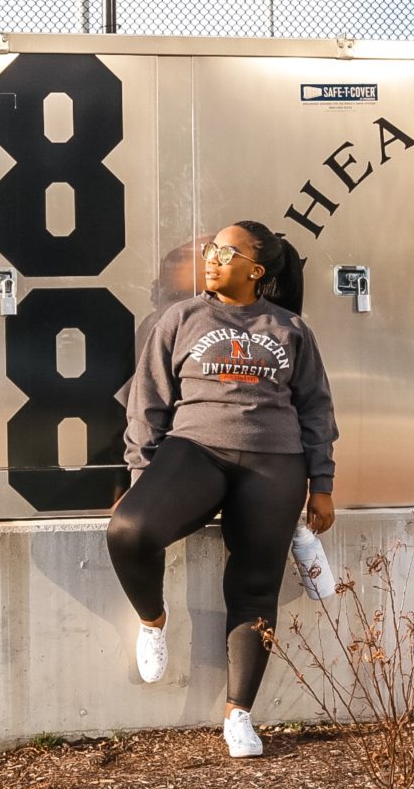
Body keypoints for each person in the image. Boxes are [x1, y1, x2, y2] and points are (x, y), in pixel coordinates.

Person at [106, 220, 338, 758]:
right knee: (129, 530)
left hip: (276, 462)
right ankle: (153, 620)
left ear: (255, 270)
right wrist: (144, 477)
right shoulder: (180, 317)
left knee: (255, 588)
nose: (211, 258)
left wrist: (320, 485)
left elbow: (316, 409)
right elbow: (147, 403)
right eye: (211, 249)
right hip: (196, 452)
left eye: (225, 252)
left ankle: (239, 715)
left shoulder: (291, 328)